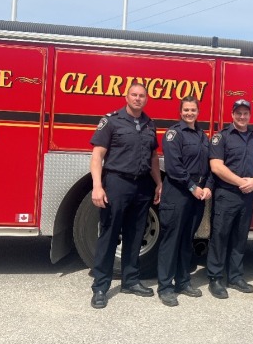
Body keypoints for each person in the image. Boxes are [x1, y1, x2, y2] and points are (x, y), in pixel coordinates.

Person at [89, 82, 163, 309]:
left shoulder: (150, 124)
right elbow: (97, 155)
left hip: (142, 185)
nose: (138, 98)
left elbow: (152, 158)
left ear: (146, 98)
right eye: (134, 94)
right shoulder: (111, 121)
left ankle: (130, 280)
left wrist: (158, 183)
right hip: (117, 183)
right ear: (126, 96)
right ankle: (101, 287)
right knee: (109, 235)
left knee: (135, 234)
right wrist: (97, 186)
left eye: (142, 95)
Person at [157, 96, 214, 307]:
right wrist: (193, 187)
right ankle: (165, 287)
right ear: (180, 112)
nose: (189, 113)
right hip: (179, 193)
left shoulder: (202, 136)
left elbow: (209, 165)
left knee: (186, 240)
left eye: (193, 110)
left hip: (197, 195)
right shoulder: (174, 134)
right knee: (171, 241)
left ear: (198, 112)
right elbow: (173, 167)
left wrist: (208, 186)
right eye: (186, 110)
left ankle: (182, 281)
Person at [206, 99, 253, 299]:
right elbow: (216, 166)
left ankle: (235, 276)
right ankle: (215, 278)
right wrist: (241, 181)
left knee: (240, 238)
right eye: (238, 113)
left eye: (245, 113)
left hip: (246, 196)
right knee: (220, 236)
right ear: (232, 115)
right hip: (226, 194)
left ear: (250, 115)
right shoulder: (222, 137)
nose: (242, 117)